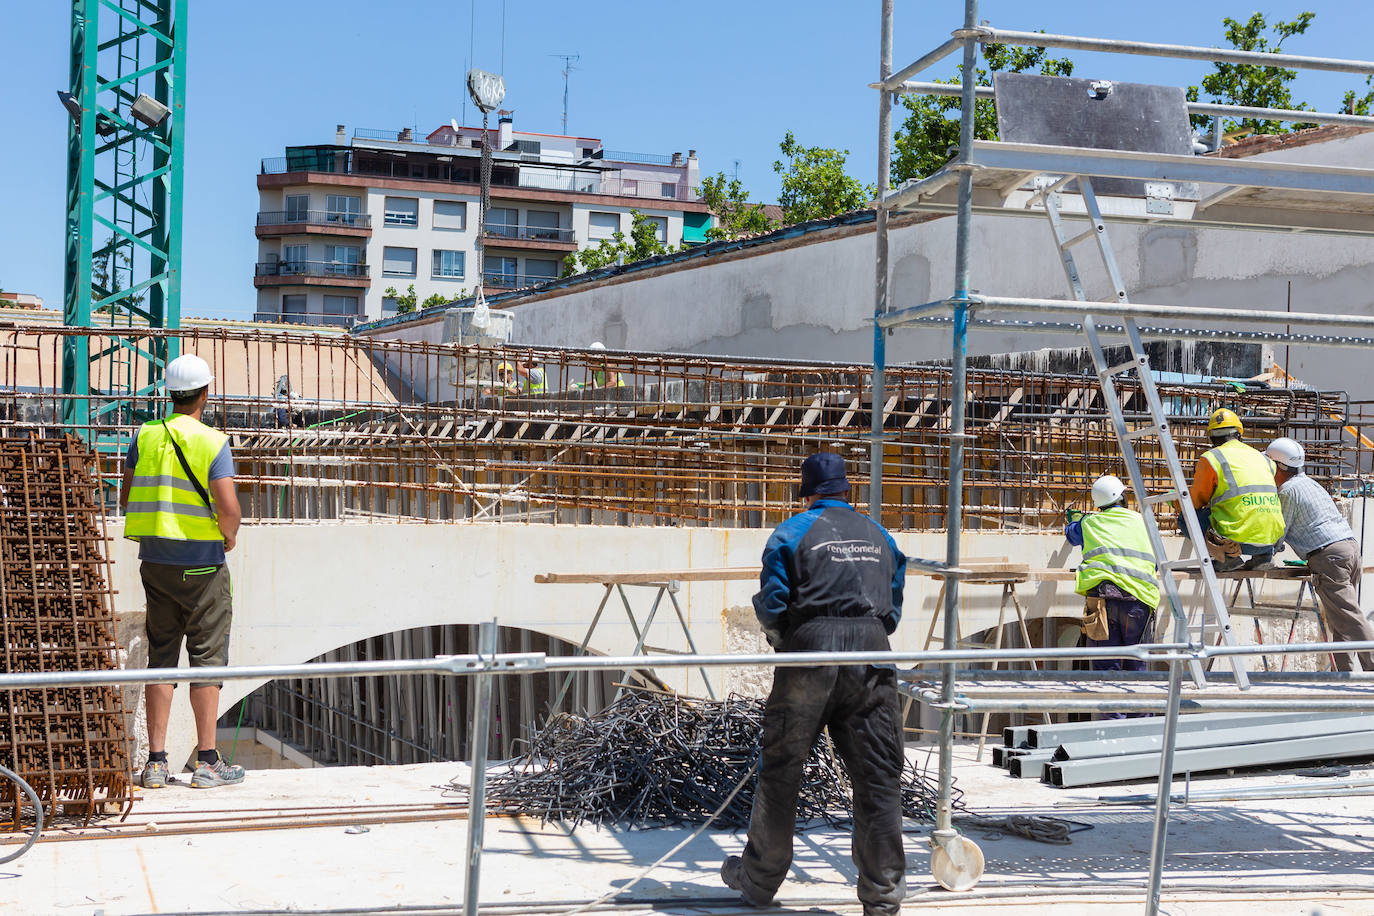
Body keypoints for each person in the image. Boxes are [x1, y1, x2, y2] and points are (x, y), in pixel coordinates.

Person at [721, 452, 908, 916]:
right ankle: (883, 896)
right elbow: (893, 609)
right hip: (870, 655)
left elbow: (773, 603)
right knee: (878, 776)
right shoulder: (881, 535)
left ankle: (760, 880)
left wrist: (790, 641)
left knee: (782, 770)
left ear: (806, 493)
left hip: (810, 652)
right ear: (849, 490)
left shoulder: (791, 532)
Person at [119, 354, 245, 790]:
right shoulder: (213, 442)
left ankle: (155, 763)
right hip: (203, 566)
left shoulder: (145, 435)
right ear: (205, 394)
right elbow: (229, 509)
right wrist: (227, 537)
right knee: (207, 661)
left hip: (155, 563)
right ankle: (207, 762)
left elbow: (127, 497)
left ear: (170, 394)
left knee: (161, 658)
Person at [1265, 437, 1374, 672]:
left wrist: (1260, 553)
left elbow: (1277, 533)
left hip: (1329, 557)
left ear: (1277, 467)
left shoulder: (1288, 491)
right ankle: (1342, 675)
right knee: (1341, 620)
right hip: (1348, 549)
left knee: (1349, 616)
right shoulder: (1309, 483)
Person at [1065, 475, 1161, 712]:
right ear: (1123, 498)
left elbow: (1071, 535)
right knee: (1137, 665)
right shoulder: (1145, 522)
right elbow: (1156, 564)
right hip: (1139, 602)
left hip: (1104, 603)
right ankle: (1141, 727)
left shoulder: (1090, 524)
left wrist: (1077, 519)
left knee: (1106, 669)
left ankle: (1112, 728)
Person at [1187, 408, 1285, 571]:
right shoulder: (1264, 459)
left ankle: (1226, 559)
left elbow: (1196, 502)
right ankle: (1263, 558)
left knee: (1186, 516)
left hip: (1236, 542)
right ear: (1239, 434)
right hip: (1270, 540)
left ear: (1211, 437)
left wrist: (1174, 500)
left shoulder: (1212, 458)